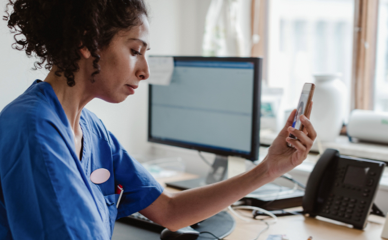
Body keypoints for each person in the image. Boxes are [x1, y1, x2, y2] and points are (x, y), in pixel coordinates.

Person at [0, 0, 317, 239]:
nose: (145, 71)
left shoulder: (92, 131)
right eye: (135, 50)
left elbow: (169, 211)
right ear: (86, 43)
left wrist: (269, 168)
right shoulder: (33, 130)